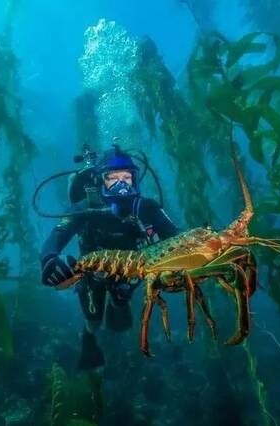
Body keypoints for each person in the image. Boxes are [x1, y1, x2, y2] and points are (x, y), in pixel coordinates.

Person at [39, 145, 179, 369]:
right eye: (113, 178)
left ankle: (117, 308)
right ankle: (89, 338)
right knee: (93, 320)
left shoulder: (146, 208)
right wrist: (49, 258)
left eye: (127, 178)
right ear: (100, 180)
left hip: (128, 275)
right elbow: (58, 234)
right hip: (91, 275)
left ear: (135, 180)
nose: (121, 185)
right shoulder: (85, 207)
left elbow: (176, 237)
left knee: (121, 319)